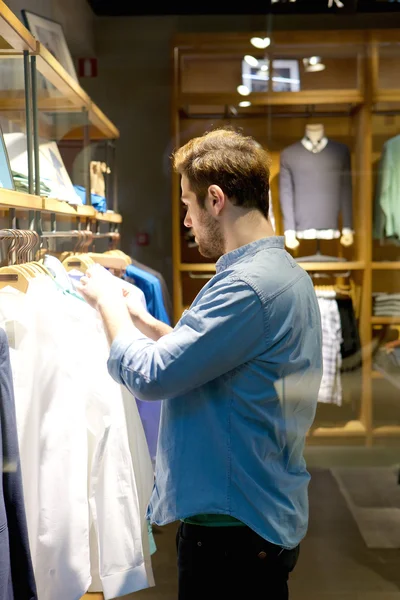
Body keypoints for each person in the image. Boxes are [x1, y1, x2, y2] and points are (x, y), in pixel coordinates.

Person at [77, 128, 323, 600]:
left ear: (215, 199)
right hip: (253, 517)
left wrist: (107, 303)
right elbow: (226, 366)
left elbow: (153, 377)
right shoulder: (280, 274)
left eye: (188, 203)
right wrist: (147, 322)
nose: (187, 220)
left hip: (232, 532)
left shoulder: (246, 287)